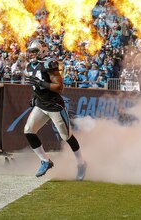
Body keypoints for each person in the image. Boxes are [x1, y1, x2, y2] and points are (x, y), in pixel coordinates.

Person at [23, 40, 87, 180]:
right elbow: (35, 85)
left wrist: (41, 83)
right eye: (31, 52)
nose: (31, 55)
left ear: (42, 51)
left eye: (34, 52)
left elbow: (59, 87)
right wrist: (35, 96)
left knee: (66, 136)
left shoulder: (49, 64)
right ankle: (45, 160)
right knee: (28, 130)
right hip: (41, 105)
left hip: (54, 106)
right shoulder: (29, 66)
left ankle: (81, 163)